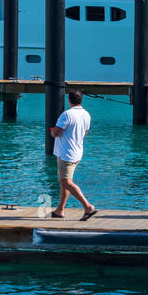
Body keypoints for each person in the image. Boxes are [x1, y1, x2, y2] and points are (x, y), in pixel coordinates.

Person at [48, 90, 96, 220]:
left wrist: (52, 131)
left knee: (66, 182)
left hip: (66, 154)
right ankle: (60, 210)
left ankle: (88, 207)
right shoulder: (86, 115)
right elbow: (85, 132)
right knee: (64, 182)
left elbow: (56, 133)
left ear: (69, 100)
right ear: (81, 100)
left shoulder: (66, 115)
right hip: (77, 152)